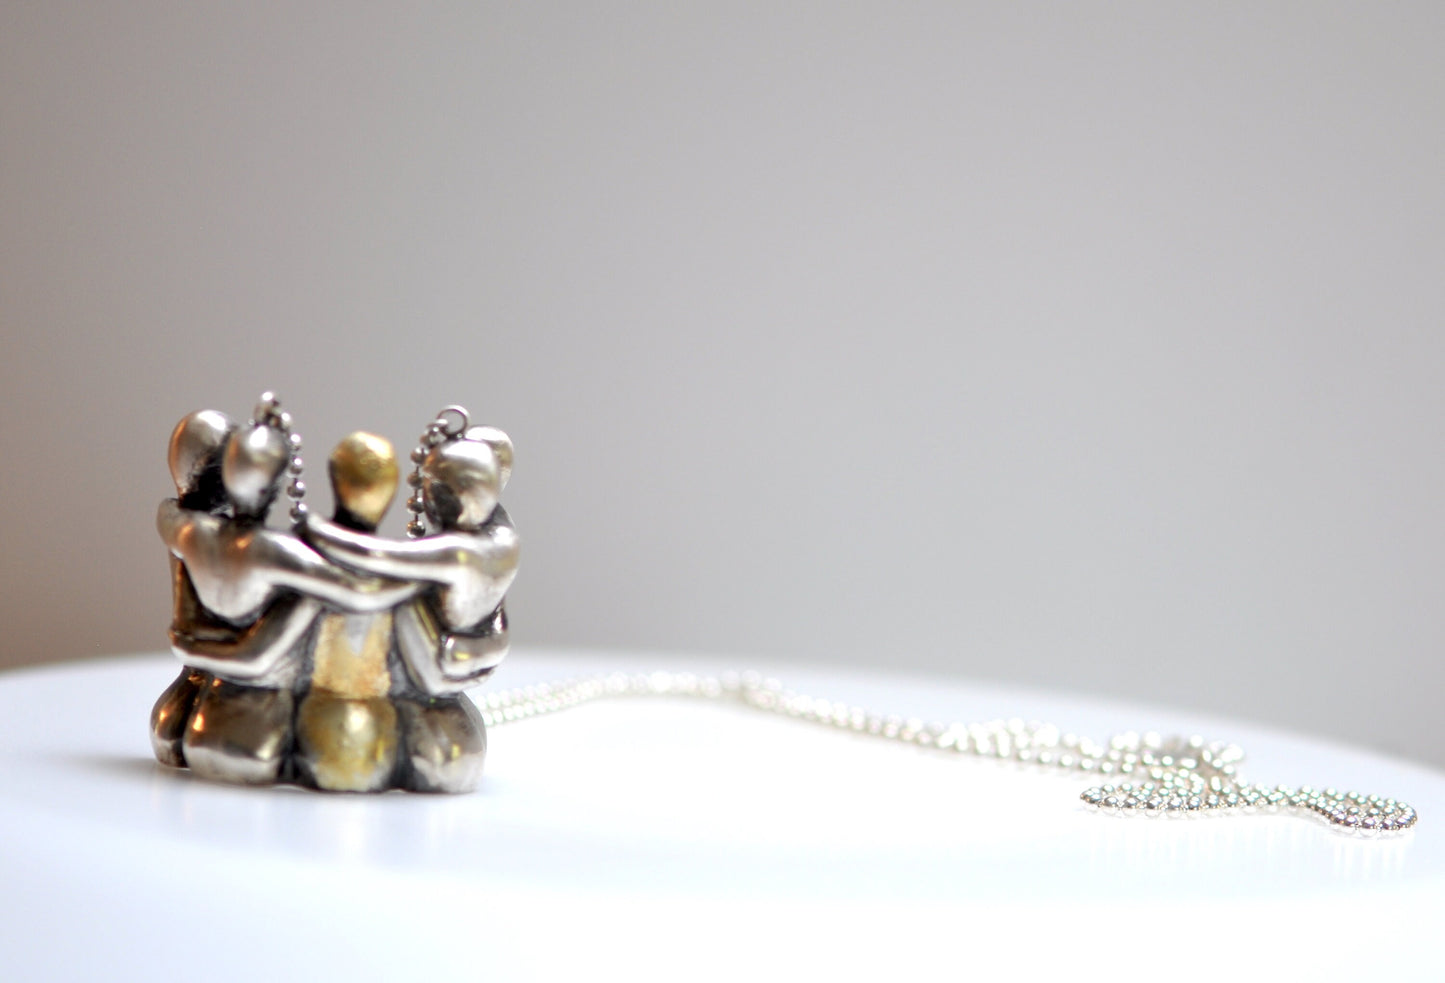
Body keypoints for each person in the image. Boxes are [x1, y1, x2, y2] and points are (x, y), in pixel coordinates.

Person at [153, 403, 417, 785]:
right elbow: (356, 592)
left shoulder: (192, 532)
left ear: (227, 474)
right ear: (274, 488)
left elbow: (169, 515)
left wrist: (192, 647)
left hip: (199, 712)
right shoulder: (274, 552)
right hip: (261, 732)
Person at [303, 428, 520, 791]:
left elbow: (377, 556)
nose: (428, 501)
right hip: (463, 657)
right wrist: (496, 640)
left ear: (455, 497)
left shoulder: (465, 552)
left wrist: (315, 531)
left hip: (441, 667)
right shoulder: (502, 534)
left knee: (398, 599)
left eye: (435, 491)